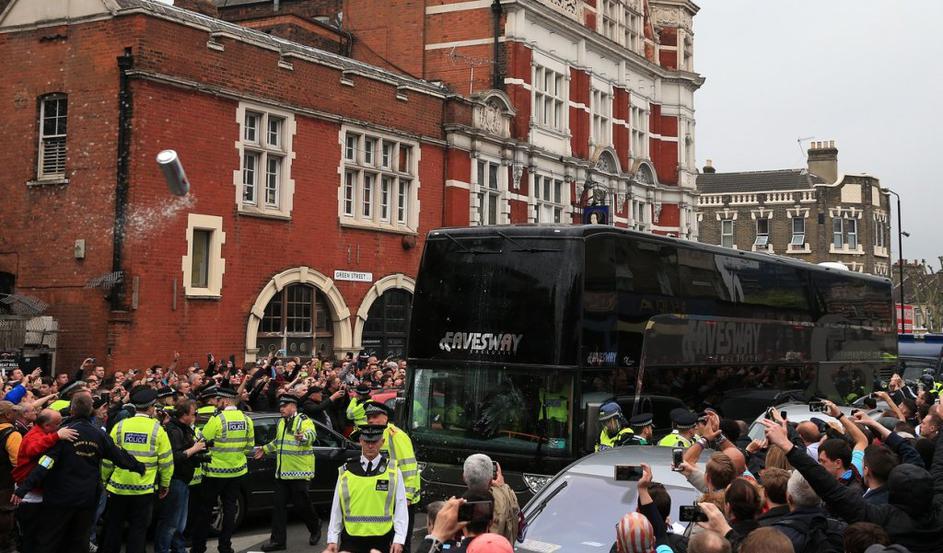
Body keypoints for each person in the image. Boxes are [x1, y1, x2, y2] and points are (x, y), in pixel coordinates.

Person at [763, 412, 943, 553]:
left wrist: (787, 446)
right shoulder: (938, 508)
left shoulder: (880, 517)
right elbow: (927, 459)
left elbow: (829, 487)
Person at [12, 394, 144, 553]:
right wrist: (139, 466)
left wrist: (24, 488)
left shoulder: (63, 433)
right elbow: (119, 455)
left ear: (72, 410)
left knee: (49, 540)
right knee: (79, 541)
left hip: (59, 498)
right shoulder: (98, 434)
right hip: (85, 498)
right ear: (91, 410)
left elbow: (45, 463)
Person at [101, 387, 174, 553]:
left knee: (113, 529)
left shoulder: (120, 426)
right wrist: (165, 484)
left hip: (118, 488)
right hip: (143, 490)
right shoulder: (158, 430)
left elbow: (108, 457)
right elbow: (166, 461)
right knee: (138, 531)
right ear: (151, 408)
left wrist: (104, 479)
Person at [190, 387, 254, 553]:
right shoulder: (246, 419)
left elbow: (202, 440)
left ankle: (198, 547)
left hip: (215, 472)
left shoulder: (217, 419)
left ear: (225, 401)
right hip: (237, 471)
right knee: (230, 509)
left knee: (205, 510)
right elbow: (250, 446)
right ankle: (225, 546)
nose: (216, 403)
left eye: (218, 400)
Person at [325, 424, 407, 553]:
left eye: (374, 442)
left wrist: (399, 539)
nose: (370, 446)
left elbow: (401, 507)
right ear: (361, 441)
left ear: (382, 442)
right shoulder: (346, 470)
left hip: (382, 538)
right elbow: (337, 508)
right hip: (351, 537)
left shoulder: (393, 471)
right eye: (367, 441)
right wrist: (332, 539)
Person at [255, 394, 321, 551]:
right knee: (278, 507)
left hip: (299, 473)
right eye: (280, 406)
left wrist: (303, 437)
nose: (281, 409)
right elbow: (279, 442)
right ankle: (278, 541)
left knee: (302, 506)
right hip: (282, 473)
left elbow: (311, 435)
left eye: (284, 406)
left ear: (293, 406)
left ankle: (315, 526)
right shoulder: (281, 422)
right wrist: (265, 449)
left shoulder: (303, 420)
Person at [12, 408, 77, 553]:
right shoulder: (33, 436)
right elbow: (33, 449)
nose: (60, 427)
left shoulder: (44, 433)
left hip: (38, 492)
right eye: (57, 424)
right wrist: (56, 436)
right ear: (47, 425)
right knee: (30, 535)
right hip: (29, 495)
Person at [364, 400, 420, 550]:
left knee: (400, 543)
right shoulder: (371, 435)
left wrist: (407, 497)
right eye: (368, 417)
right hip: (383, 497)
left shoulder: (396, 436)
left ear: (385, 417)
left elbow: (409, 467)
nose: (371, 420)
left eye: (375, 416)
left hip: (401, 498)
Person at [155, 398, 206, 553]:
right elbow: (176, 457)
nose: (196, 416)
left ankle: (179, 549)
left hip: (183, 480)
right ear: (184, 415)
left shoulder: (183, 428)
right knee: (171, 522)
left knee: (179, 524)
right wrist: (195, 449)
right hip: (175, 480)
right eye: (194, 413)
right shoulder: (174, 430)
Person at [462, 453, 519, 544]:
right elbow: (514, 525)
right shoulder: (498, 505)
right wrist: (503, 488)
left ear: (464, 478)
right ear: (490, 481)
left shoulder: (457, 508)